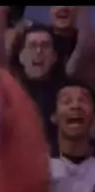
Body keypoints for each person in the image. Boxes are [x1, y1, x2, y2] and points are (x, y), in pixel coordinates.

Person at [16, 23, 67, 152]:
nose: (39, 51)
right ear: (21, 56)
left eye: (45, 46)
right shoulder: (8, 90)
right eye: (32, 46)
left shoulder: (67, 93)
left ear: (54, 56)